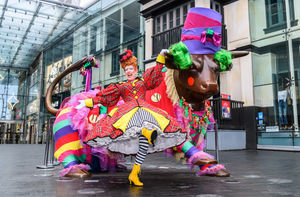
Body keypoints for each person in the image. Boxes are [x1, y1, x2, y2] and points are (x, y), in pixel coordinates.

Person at [80, 49, 189, 186]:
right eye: (126, 70)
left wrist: (160, 56)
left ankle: (134, 174)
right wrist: (88, 102)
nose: (129, 71)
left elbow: (156, 73)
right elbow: (105, 97)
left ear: (136, 69)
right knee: (143, 134)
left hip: (144, 110)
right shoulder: (121, 86)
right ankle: (144, 133)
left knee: (143, 143)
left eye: (131, 68)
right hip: (128, 114)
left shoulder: (143, 81)